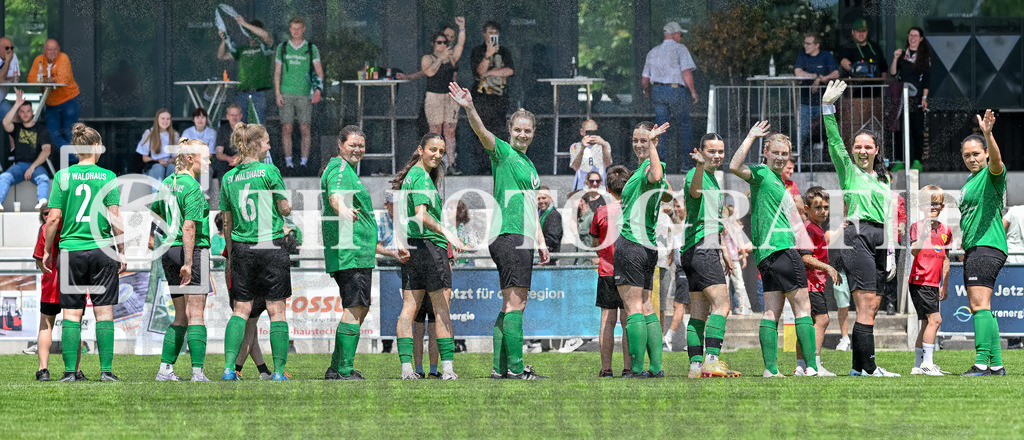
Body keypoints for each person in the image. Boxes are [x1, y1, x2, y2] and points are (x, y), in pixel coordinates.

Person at [448, 81, 550, 379]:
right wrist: (469, 107)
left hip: (522, 237)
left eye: (527, 130)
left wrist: (541, 241)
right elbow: (482, 133)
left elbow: (531, 207)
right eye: (517, 129)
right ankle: (517, 369)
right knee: (516, 303)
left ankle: (500, 368)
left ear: (533, 133)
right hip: (509, 235)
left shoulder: (529, 164)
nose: (522, 134)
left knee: (510, 304)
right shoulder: (504, 153)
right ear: (510, 130)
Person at [820, 80, 899, 377]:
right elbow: (834, 143)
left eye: (868, 147)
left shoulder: (884, 180)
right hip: (859, 236)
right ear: (852, 151)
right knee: (864, 306)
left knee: (873, 308)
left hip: (880, 238)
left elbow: (890, 218)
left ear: (877, 150)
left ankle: (858, 368)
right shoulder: (849, 171)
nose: (862, 151)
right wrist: (828, 109)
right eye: (858, 147)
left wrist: (890, 251)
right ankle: (869, 368)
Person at [729, 121, 818, 377]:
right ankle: (811, 367)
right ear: (766, 152)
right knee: (803, 308)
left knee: (771, 312)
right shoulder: (761, 173)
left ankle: (770, 369)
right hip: (782, 250)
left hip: (766, 256)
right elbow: (734, 166)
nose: (780, 158)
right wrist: (750, 136)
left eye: (784, 154)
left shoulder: (778, 182)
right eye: (775, 153)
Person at [322, 125, 409, 380]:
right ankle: (344, 369)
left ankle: (336, 366)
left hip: (356, 252)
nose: (357, 149)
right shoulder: (339, 170)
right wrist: (343, 210)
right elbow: (334, 195)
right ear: (340, 144)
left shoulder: (346, 170)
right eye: (352, 144)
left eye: (361, 145)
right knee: (355, 307)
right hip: (351, 252)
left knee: (358, 307)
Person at [41, 123, 126, 382]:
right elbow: (114, 217)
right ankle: (106, 372)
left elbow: (53, 218)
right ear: (97, 147)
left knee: (71, 313)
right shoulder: (108, 176)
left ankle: (69, 372)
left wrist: (47, 251)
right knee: (104, 312)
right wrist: (121, 249)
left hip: (71, 250)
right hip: (102, 250)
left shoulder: (62, 177)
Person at [219, 122, 292, 381]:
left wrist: (230, 254)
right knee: (276, 310)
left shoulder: (228, 178)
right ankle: (279, 372)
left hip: (241, 248)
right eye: (266, 141)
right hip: (270, 245)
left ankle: (229, 369)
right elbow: (285, 209)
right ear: (254, 144)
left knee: (241, 310)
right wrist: (285, 203)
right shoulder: (269, 171)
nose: (270, 145)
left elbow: (226, 222)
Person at [392, 133, 466, 380]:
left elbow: (402, 216)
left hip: (412, 248)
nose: (437, 155)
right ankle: (446, 370)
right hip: (431, 249)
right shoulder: (421, 177)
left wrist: (400, 242)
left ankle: (407, 370)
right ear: (420, 149)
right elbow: (421, 215)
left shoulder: (411, 176)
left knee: (409, 310)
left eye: (441, 152)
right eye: (433, 149)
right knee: (441, 311)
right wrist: (449, 234)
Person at [149, 138, 213, 382]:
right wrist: (188, 262)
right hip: (192, 252)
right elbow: (189, 227)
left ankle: (165, 370)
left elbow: (155, 211)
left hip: (169, 252)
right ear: (190, 159)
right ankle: (197, 372)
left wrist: (151, 236)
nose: (208, 161)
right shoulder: (193, 187)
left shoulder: (167, 182)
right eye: (204, 157)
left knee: (180, 316)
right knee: (196, 314)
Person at [681, 132, 742, 378]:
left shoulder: (714, 179)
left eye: (720, 151)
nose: (717, 156)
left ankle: (696, 366)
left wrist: (724, 250)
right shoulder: (696, 175)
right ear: (701, 151)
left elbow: (712, 221)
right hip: (701, 249)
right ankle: (712, 360)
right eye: (711, 151)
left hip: (697, 249)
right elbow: (694, 191)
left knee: (698, 312)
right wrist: (697, 165)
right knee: (722, 305)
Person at [615, 121, 671, 378]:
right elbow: (665, 190)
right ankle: (656, 368)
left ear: (655, 143)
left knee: (633, 307)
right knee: (647, 306)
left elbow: (657, 177)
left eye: (645, 140)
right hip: (647, 246)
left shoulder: (651, 166)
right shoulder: (642, 169)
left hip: (632, 244)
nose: (639, 144)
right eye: (637, 140)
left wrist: (652, 147)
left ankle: (636, 369)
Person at [957, 109, 1006, 376]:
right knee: (985, 307)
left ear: (985, 153)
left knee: (978, 306)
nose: (971, 158)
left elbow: (997, 163)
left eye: (976, 153)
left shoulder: (990, 173)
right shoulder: (970, 180)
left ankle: (981, 363)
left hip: (987, 246)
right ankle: (996, 365)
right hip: (978, 248)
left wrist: (988, 134)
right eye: (967, 155)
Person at [32, 206, 88, 381]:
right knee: (75, 324)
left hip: (52, 284)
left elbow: (39, 258)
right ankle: (75, 370)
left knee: (46, 325)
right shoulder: (74, 226)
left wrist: (48, 273)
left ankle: (43, 370)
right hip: (74, 282)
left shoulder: (44, 229)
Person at [589, 165, 632, 377]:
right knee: (628, 321)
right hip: (630, 273)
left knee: (607, 320)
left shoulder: (601, 211)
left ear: (607, 187)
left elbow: (596, 241)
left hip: (607, 270)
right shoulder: (633, 209)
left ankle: (606, 369)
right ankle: (628, 368)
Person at [796, 186, 842, 376]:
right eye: (818, 208)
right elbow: (805, 257)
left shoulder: (816, 228)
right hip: (810, 282)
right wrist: (828, 267)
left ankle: (801, 366)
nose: (823, 211)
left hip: (813, 282)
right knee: (822, 320)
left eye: (826, 207)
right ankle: (814, 364)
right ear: (807, 209)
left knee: (808, 322)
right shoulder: (809, 229)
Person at [641, 22, 698, 170]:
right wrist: (692, 92)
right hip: (676, 91)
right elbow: (686, 72)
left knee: (660, 129)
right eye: (680, 34)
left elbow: (645, 79)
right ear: (674, 35)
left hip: (658, 91)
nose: (681, 37)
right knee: (684, 127)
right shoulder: (680, 49)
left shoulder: (653, 52)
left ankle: (659, 165)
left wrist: (647, 91)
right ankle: (687, 164)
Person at [908, 185, 950, 376]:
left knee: (926, 323)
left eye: (936, 203)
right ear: (921, 206)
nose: (932, 207)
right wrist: (924, 234)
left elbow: (946, 258)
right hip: (920, 280)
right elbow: (914, 251)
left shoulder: (946, 230)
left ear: (941, 206)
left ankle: (918, 365)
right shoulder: (916, 227)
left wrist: (945, 283)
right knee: (935, 319)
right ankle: (927, 364)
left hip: (934, 283)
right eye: (928, 203)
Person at [274, 16, 324, 172]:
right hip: (286, 92)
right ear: (290, 29)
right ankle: (289, 163)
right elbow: (277, 73)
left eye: (299, 28)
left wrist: (318, 90)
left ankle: (304, 163)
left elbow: (319, 72)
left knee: (305, 128)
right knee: (287, 128)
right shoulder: (282, 47)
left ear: (304, 29)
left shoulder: (311, 48)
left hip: (304, 94)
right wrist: (278, 94)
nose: (295, 31)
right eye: (293, 28)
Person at [422, 17, 467, 174]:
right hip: (434, 96)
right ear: (434, 44)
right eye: (439, 42)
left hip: (449, 97)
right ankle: (432, 164)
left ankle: (451, 163)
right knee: (435, 130)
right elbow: (429, 72)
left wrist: (462, 27)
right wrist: (440, 59)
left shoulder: (451, 58)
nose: (442, 45)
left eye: (445, 42)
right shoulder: (428, 58)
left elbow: (460, 45)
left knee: (450, 131)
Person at [469, 21, 515, 172]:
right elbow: (478, 72)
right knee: (481, 131)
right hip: (481, 99)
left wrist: (489, 73)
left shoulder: (504, 51)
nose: (492, 35)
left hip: (499, 99)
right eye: (489, 32)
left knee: (499, 132)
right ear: (484, 34)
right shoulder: (478, 51)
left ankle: (497, 163)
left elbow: (509, 71)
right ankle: (482, 165)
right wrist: (488, 55)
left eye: (495, 32)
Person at [217, 15, 274, 123]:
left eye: (253, 33)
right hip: (242, 94)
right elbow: (221, 56)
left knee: (258, 127)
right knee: (240, 127)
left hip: (259, 94)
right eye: (249, 33)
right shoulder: (242, 49)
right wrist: (223, 41)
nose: (251, 36)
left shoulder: (265, 48)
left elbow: (266, 35)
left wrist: (244, 24)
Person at [1, 89, 51, 210]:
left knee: (44, 178)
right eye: (22, 111)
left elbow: (46, 151)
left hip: (36, 166)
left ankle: (42, 204)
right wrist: (17, 104)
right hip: (19, 166)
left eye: (28, 111)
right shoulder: (17, 128)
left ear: (32, 112)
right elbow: (5, 122)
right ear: (18, 113)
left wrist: (32, 167)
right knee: (4, 177)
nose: (25, 114)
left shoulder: (41, 129)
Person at [28, 39, 81, 150]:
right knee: (53, 136)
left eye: (54, 50)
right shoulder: (39, 60)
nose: (52, 52)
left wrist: (45, 79)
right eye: (49, 50)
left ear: (59, 50)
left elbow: (62, 79)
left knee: (70, 135)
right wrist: (47, 79)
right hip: (51, 104)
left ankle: (74, 163)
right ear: (44, 50)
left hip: (69, 100)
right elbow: (31, 79)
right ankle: (76, 157)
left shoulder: (63, 58)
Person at [889, 27, 931, 164]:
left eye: (915, 35)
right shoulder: (901, 55)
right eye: (910, 35)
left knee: (917, 130)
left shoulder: (924, 57)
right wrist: (895, 59)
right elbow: (893, 73)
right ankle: (900, 161)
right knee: (900, 130)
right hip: (901, 98)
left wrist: (924, 98)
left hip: (916, 97)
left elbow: (926, 80)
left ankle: (917, 161)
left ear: (921, 39)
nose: (912, 38)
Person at [794, 32, 839, 154]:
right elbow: (798, 72)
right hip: (805, 102)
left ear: (817, 45)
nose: (805, 46)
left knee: (824, 133)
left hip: (823, 103)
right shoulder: (802, 55)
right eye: (805, 43)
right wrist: (816, 76)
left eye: (808, 43)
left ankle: (825, 161)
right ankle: (804, 161)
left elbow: (836, 73)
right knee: (804, 133)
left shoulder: (826, 55)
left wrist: (820, 80)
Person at [663, 199, 690, 352]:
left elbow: (680, 229)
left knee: (679, 304)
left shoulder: (686, 223)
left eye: (679, 206)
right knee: (692, 305)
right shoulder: (677, 224)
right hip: (680, 268)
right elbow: (676, 243)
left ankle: (668, 338)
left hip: (686, 268)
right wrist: (671, 256)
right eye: (675, 207)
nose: (676, 209)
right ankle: (699, 340)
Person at [721, 203, 751, 315]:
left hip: (732, 258)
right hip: (727, 259)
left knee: (736, 284)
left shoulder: (735, 227)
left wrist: (743, 257)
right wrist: (744, 257)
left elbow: (741, 242)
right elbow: (741, 242)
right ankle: (730, 309)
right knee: (735, 284)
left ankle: (742, 308)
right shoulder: (725, 227)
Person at [137, 109, 179, 182]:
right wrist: (158, 161)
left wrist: (168, 161)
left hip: (169, 164)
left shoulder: (174, 134)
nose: (165, 121)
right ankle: (157, 191)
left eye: (168, 119)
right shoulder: (149, 133)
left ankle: (173, 191)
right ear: (157, 120)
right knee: (159, 168)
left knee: (172, 168)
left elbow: (175, 156)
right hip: (154, 165)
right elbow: (145, 158)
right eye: (162, 118)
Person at [569, 119, 612, 191]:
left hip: (600, 188)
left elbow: (607, 163)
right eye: (589, 132)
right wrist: (582, 149)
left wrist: (604, 146)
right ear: (582, 132)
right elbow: (575, 167)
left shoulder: (605, 145)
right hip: (582, 188)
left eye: (594, 132)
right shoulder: (576, 146)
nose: (592, 135)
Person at [214, 104, 244, 177]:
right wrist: (229, 159)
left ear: (241, 116)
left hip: (242, 160)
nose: (234, 118)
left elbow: (250, 151)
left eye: (237, 115)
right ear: (227, 117)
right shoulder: (222, 130)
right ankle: (223, 188)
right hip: (227, 161)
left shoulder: (246, 129)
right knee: (221, 165)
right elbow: (219, 154)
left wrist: (239, 158)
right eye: (232, 115)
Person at [538, 186, 562, 262]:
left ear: (551, 198)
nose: (541, 201)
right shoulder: (540, 213)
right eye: (538, 199)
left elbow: (552, 240)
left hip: (548, 259)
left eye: (544, 198)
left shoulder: (553, 215)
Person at [0, 37, 21, 116]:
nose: (10, 51)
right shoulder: (9, 58)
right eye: (7, 48)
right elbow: (1, 80)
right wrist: (7, 61)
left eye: (11, 48)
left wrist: (4, 78)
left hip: (1, 101)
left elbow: (17, 78)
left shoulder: (13, 56)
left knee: (14, 117)